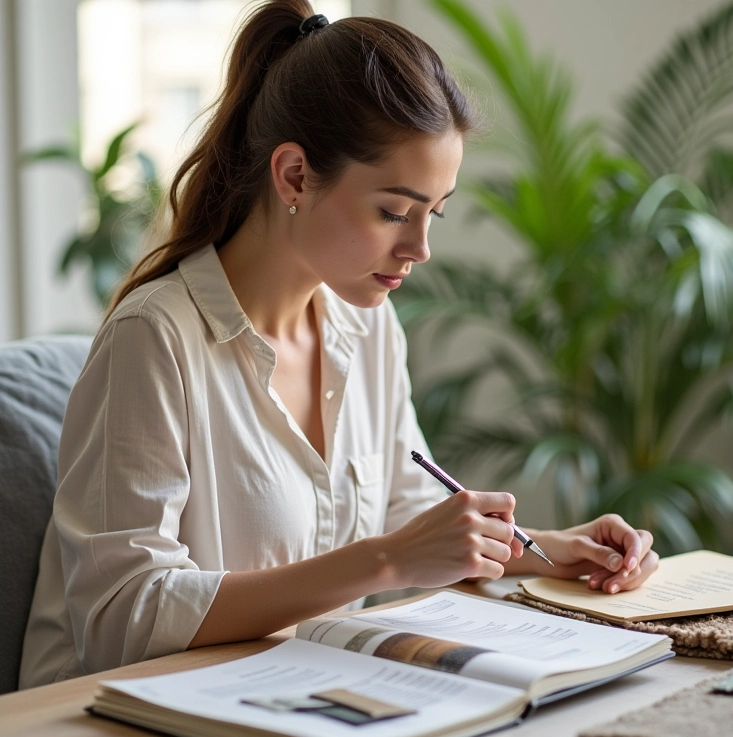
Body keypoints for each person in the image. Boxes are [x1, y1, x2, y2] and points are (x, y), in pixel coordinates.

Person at [19, 0, 658, 690]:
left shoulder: (367, 324)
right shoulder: (155, 339)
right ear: (294, 175)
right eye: (393, 212)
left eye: (432, 214)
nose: (420, 249)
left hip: (287, 699)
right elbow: (120, 618)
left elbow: (409, 511)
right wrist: (384, 563)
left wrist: (546, 550)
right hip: (109, 727)